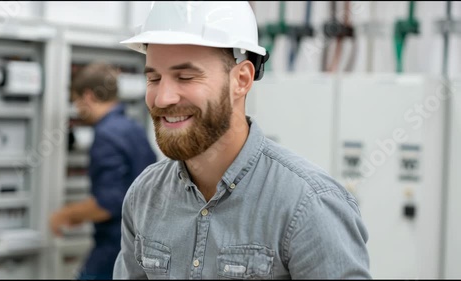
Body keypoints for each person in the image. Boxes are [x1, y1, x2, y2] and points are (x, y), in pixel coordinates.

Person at [113, 1, 371, 279]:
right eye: (154, 79)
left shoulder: (310, 205)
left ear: (242, 79)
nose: (163, 98)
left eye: (185, 77)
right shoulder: (144, 196)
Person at [49, 62, 158, 280]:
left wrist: (65, 214)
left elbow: (108, 203)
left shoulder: (106, 135)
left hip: (115, 246)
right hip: (144, 244)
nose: (78, 109)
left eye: (76, 101)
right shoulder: (133, 128)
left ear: (88, 96)